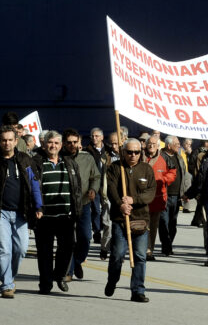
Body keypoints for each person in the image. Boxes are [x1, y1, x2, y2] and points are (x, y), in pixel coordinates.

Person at [0, 125, 43, 298]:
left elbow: (34, 185)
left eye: (10, 140)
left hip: (22, 213)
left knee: (20, 249)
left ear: (16, 141)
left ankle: (9, 277)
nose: (7, 143)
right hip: (0, 214)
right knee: (3, 249)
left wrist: (38, 206)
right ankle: (6, 284)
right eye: (4, 140)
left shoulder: (25, 160)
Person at [104, 138, 155, 303]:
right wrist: (120, 205)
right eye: (129, 152)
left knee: (140, 256)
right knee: (118, 255)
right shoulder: (115, 168)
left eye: (137, 152)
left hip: (140, 220)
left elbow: (151, 192)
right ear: (123, 152)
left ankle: (138, 290)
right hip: (121, 219)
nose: (133, 155)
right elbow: (111, 190)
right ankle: (112, 280)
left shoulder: (146, 169)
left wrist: (134, 200)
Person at [32, 129, 82, 293]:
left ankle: (59, 275)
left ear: (61, 145)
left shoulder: (69, 162)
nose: (53, 146)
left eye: (56, 143)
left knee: (67, 248)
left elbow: (77, 188)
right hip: (44, 216)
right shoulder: (37, 162)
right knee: (44, 253)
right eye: (50, 142)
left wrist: (77, 209)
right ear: (44, 144)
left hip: (65, 216)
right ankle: (45, 284)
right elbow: (32, 188)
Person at [63, 128, 99, 279]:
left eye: (75, 142)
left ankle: (78, 261)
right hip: (66, 205)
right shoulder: (59, 158)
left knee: (85, 237)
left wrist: (93, 189)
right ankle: (68, 272)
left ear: (80, 143)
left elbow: (96, 176)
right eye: (69, 142)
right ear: (64, 143)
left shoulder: (87, 158)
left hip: (83, 203)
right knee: (69, 239)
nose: (72, 145)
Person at [144, 134, 175, 260]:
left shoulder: (165, 158)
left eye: (154, 144)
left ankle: (149, 250)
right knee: (143, 225)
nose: (151, 146)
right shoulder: (140, 156)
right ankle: (143, 249)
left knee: (153, 227)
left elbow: (173, 173)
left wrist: (164, 179)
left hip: (157, 199)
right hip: (143, 199)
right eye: (149, 143)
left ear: (158, 146)